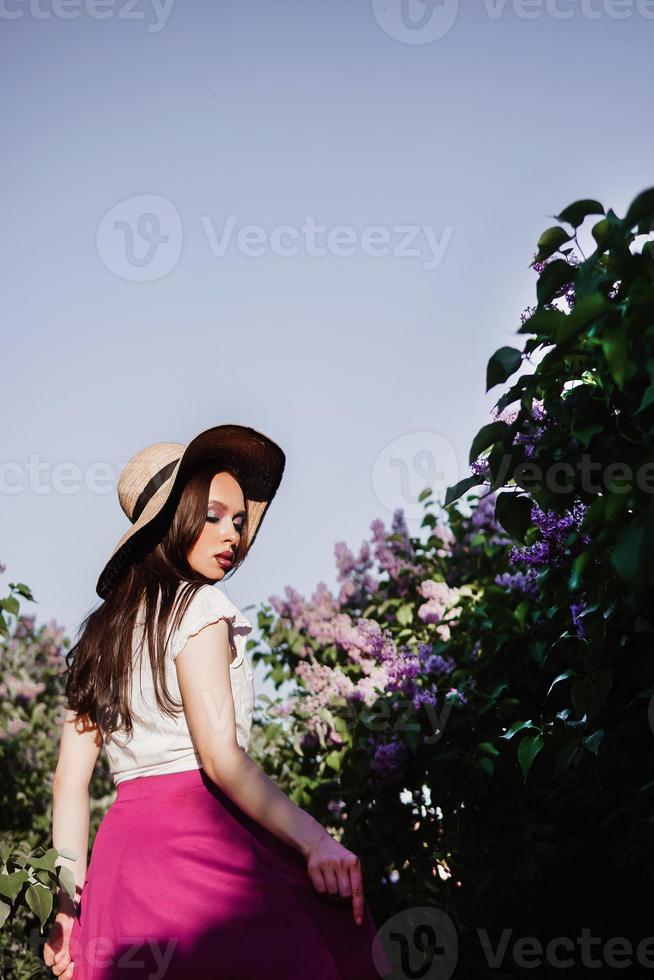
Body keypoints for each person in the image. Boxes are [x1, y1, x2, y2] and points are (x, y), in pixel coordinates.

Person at [43, 423, 389, 980]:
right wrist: (318, 840)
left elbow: (69, 784)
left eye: (238, 520)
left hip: (125, 862)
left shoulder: (96, 640)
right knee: (334, 942)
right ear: (173, 519)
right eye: (213, 516)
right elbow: (221, 759)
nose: (233, 534)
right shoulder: (200, 608)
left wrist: (66, 910)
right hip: (202, 841)